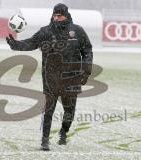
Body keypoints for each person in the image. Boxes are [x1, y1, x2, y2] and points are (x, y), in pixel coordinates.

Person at [6, 3, 93, 151]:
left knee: (69, 112)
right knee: (49, 110)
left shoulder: (77, 31)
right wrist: (16, 45)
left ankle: (63, 132)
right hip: (51, 77)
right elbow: (31, 43)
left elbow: (87, 50)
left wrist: (86, 71)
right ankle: (44, 141)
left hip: (72, 77)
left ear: (66, 15)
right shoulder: (46, 32)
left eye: (59, 15)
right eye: (55, 15)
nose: (57, 18)